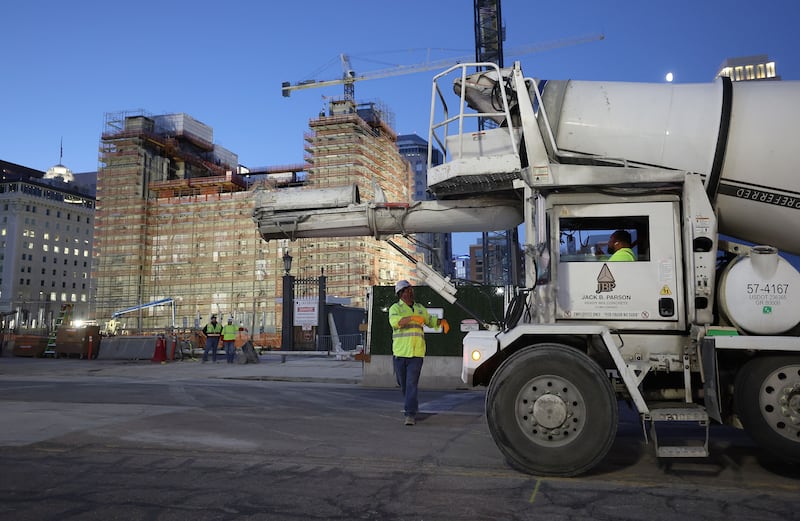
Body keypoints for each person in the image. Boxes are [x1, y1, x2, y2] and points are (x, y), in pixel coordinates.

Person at [388, 280, 449, 426]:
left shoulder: (420, 308)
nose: (410, 293)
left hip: (417, 354)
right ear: (401, 293)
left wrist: (441, 322)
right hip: (400, 353)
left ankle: (410, 414)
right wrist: (412, 318)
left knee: (411, 384)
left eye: (411, 290)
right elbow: (395, 323)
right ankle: (412, 405)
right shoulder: (395, 308)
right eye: (407, 290)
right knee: (403, 384)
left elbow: (430, 321)